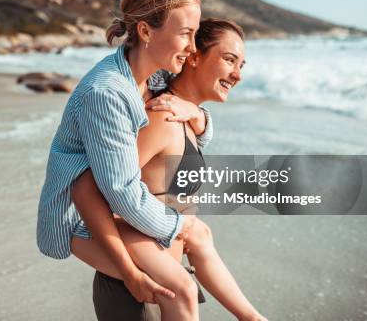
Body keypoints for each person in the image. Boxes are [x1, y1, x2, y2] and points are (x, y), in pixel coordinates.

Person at [36, 0, 214, 318]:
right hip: (80, 221)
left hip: (121, 215)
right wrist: (179, 227)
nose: (193, 47)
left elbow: (184, 138)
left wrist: (198, 115)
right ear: (146, 32)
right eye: (185, 33)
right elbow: (122, 193)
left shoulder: (155, 79)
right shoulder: (107, 93)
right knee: (181, 289)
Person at [72, 19, 268, 321]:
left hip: (167, 276)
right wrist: (131, 270)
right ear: (193, 56)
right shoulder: (162, 118)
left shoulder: (185, 117)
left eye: (242, 64)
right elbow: (96, 191)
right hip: (139, 289)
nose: (238, 74)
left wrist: (199, 115)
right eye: (229, 60)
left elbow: (194, 232)